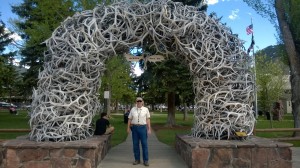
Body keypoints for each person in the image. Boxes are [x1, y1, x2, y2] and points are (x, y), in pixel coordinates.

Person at [127, 97, 151, 166]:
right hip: (134, 128)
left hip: (143, 128)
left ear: (142, 102)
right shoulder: (133, 109)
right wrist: (128, 128)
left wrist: (149, 129)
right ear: (136, 102)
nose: (139, 102)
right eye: (138, 101)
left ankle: (146, 160)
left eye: (140, 101)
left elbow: (148, 119)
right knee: (135, 145)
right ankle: (137, 160)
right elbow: (129, 119)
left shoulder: (146, 109)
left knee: (144, 144)